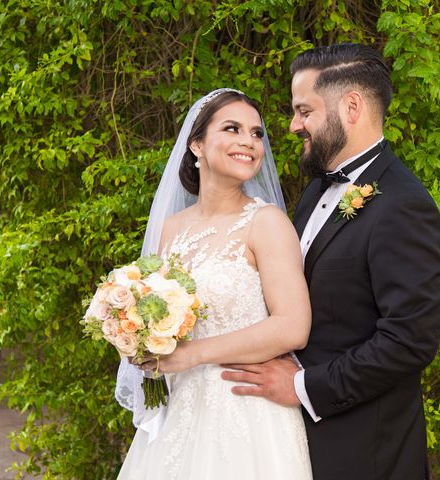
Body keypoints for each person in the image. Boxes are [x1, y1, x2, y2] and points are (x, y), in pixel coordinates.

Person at [221, 44, 440, 479]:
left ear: (351, 106)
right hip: (290, 444)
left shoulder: (404, 206)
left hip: (364, 453)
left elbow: (408, 342)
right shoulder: (313, 193)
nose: (292, 126)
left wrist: (301, 386)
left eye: (304, 111)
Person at [116, 89, 313, 479]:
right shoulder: (170, 229)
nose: (249, 142)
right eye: (232, 129)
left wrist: (192, 354)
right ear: (197, 146)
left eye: (256, 134)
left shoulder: (266, 222)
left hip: (246, 411)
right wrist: (136, 336)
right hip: (178, 411)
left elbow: (293, 326)